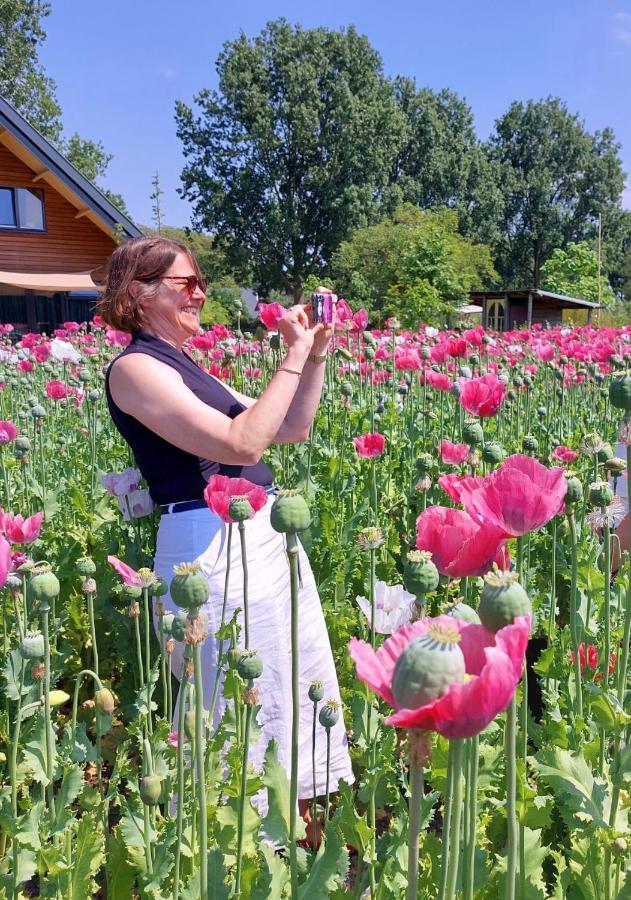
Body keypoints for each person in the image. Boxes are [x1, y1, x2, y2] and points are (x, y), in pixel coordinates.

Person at [99, 235, 353, 826]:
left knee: (284, 686)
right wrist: (289, 354)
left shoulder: (185, 365)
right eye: (188, 284)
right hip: (207, 551)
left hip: (259, 539)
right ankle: (238, 842)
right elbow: (241, 443)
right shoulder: (135, 368)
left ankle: (281, 837)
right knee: (232, 708)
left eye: (201, 283)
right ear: (140, 291)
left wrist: (314, 353)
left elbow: (290, 428)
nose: (201, 294)